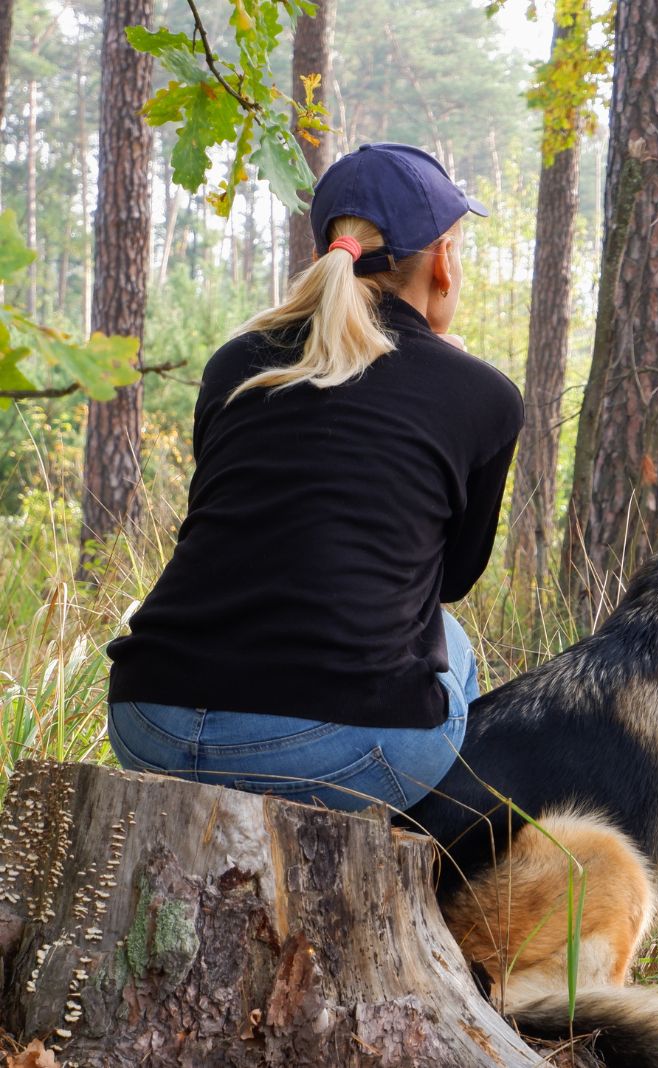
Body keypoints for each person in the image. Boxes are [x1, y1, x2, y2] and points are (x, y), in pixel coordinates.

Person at [105, 142, 523, 812]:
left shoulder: (235, 362)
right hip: (331, 749)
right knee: (455, 646)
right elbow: (450, 581)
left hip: (148, 718)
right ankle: (426, 885)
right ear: (443, 261)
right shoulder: (482, 394)